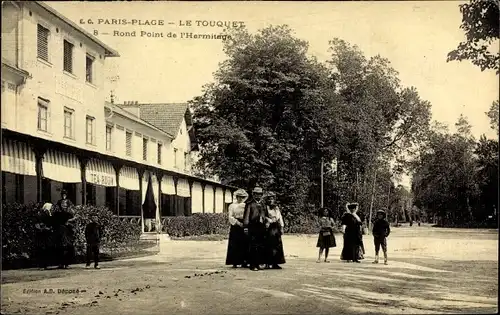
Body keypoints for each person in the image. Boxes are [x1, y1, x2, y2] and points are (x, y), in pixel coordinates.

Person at [243, 186, 268, 271]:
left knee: (261, 245)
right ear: (253, 195)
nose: (258, 196)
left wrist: (266, 222)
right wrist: (245, 227)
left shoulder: (264, 204)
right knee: (253, 246)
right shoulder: (249, 204)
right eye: (256, 194)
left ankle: (260, 263)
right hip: (253, 226)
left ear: (262, 195)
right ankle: (253, 264)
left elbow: (266, 215)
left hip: (262, 227)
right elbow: (246, 216)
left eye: (260, 194)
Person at [225, 189, 249, 268]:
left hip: (244, 223)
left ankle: (244, 261)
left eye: (242, 197)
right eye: (239, 197)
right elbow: (230, 216)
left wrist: (245, 223)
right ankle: (234, 261)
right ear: (236, 197)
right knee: (235, 243)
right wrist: (238, 223)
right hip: (235, 225)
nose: (240, 199)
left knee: (244, 243)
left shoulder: (246, 205)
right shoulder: (232, 205)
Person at [53, 190, 76, 269]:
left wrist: (69, 221)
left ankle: (66, 263)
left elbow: (75, 217)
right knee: (59, 247)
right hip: (60, 230)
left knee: (68, 247)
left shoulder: (69, 213)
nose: (64, 206)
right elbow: (54, 219)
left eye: (65, 204)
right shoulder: (58, 213)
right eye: (62, 204)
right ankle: (60, 263)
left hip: (67, 231)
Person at [264, 192, 286, 269]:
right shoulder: (265, 207)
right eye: (270, 198)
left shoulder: (276, 208)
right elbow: (263, 216)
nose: (271, 200)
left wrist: (282, 227)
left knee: (277, 245)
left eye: (272, 198)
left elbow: (280, 217)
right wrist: (268, 220)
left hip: (276, 227)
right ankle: (267, 263)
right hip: (269, 227)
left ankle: (275, 263)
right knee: (269, 244)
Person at [34, 203, 54, 270]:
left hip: (45, 234)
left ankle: (43, 265)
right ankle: (42, 265)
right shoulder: (44, 214)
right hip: (43, 234)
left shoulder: (46, 214)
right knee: (43, 249)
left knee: (44, 249)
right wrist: (46, 228)